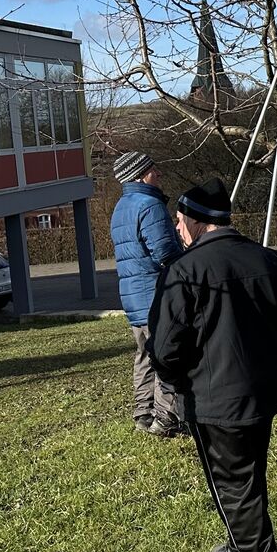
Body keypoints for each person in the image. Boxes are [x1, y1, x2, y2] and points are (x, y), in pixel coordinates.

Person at [147, 179, 277, 552]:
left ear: (197, 222)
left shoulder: (183, 271)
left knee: (234, 483)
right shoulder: (268, 259)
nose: (178, 230)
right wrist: (272, 355)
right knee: (248, 475)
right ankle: (246, 546)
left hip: (214, 398)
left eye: (180, 222)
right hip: (262, 388)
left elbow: (165, 346)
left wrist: (176, 380)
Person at [110, 150, 184, 437]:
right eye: (154, 170)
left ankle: (144, 413)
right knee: (166, 354)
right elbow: (164, 251)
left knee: (144, 354)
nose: (159, 174)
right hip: (155, 293)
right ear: (140, 175)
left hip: (133, 296)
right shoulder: (149, 205)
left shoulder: (121, 206)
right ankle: (167, 418)